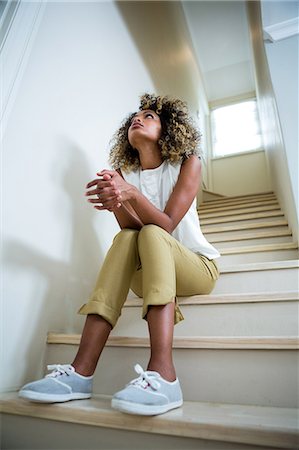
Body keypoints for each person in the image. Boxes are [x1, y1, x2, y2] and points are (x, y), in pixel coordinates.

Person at [19, 93, 220, 416]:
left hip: (195, 267)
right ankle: (81, 373)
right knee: (127, 237)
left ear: (168, 127)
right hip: (151, 273)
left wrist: (132, 195)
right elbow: (133, 230)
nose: (137, 120)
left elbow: (165, 226)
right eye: (133, 119)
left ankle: (165, 373)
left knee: (154, 232)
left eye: (149, 116)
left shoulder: (188, 163)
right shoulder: (125, 175)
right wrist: (117, 203)